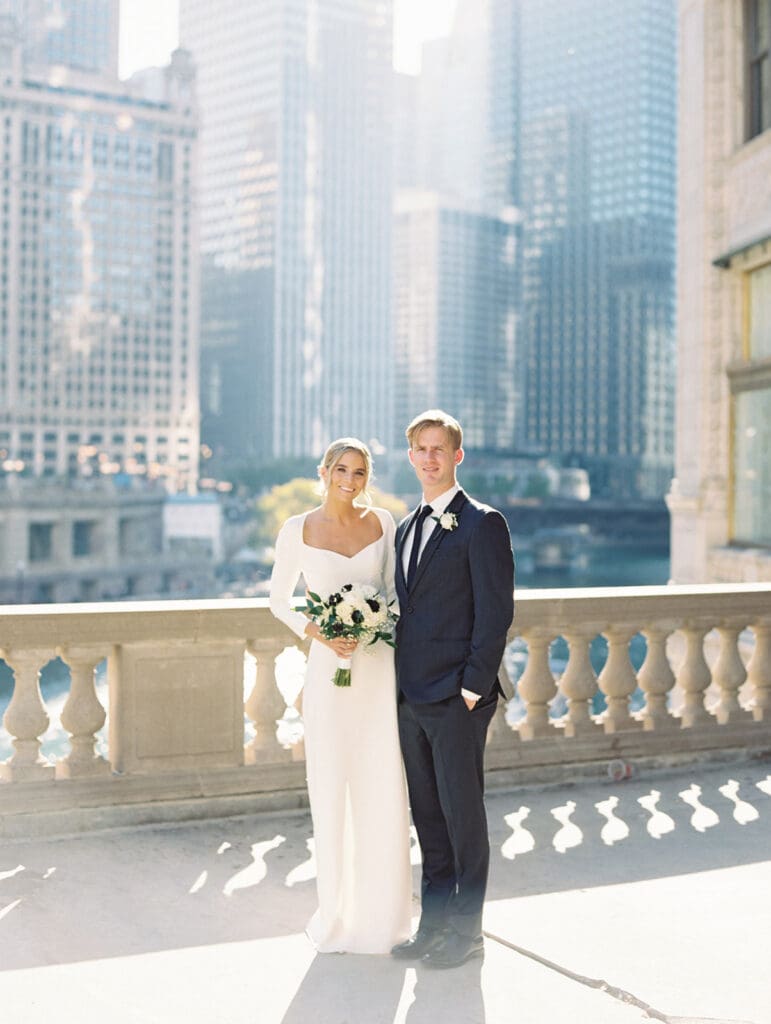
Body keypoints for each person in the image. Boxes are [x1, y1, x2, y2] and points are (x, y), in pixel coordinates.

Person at [269, 438, 412, 954]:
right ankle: (336, 914)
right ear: (324, 471)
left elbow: (395, 593)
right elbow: (278, 602)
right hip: (328, 671)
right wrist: (322, 634)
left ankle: (385, 915)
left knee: (381, 782)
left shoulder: (383, 524)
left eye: (360, 472)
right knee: (331, 785)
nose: (350, 480)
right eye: (342, 470)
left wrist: (378, 626)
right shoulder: (297, 529)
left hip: (376, 671)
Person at [391, 409, 515, 969]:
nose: (430, 458)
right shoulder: (407, 526)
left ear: (457, 456)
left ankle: (467, 935)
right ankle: (433, 927)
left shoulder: (484, 523)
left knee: (464, 820)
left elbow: (495, 614)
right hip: (411, 698)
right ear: (411, 455)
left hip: (457, 700)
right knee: (429, 818)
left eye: (440, 449)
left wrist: (471, 688)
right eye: (421, 449)